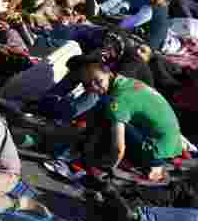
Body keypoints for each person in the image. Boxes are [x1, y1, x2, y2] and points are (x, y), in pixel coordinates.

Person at [75, 52, 183, 182]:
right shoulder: (128, 82)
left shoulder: (118, 100)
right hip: (173, 147)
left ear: (108, 73)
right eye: (89, 85)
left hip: (156, 153)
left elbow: (119, 148)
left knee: (106, 110)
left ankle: (153, 165)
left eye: (98, 81)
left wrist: (108, 167)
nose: (96, 88)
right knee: (110, 113)